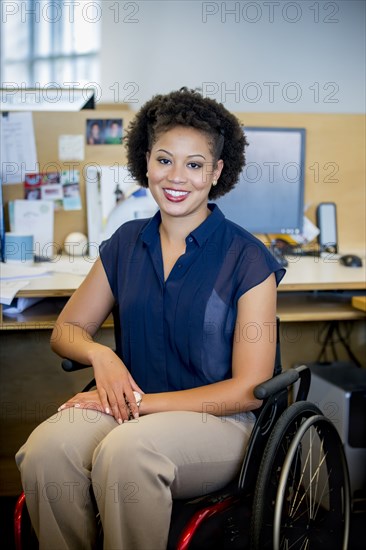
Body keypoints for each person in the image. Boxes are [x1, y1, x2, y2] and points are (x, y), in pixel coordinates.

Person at [16, 88, 285, 550]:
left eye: (194, 164)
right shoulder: (125, 242)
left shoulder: (247, 259)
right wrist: (100, 356)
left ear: (217, 172)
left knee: (128, 453)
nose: (176, 177)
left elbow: (248, 388)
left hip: (216, 421)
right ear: (145, 163)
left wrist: (138, 406)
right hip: (127, 406)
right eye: (164, 160)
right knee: (46, 451)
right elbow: (66, 331)